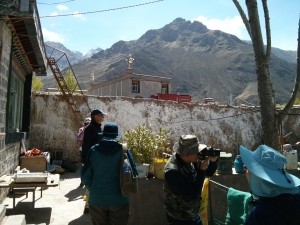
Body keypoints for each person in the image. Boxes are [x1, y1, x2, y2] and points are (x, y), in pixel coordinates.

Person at [81, 122, 130, 225]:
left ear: (103, 135)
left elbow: (85, 176)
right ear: (116, 136)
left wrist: (94, 188)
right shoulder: (124, 151)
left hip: (97, 199)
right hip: (120, 200)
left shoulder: (93, 151)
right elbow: (133, 174)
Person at [164, 134, 218, 225]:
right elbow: (192, 194)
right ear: (187, 155)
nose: (199, 154)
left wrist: (213, 161)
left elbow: (208, 173)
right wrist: (201, 171)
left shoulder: (188, 160)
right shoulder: (172, 171)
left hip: (192, 213)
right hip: (180, 218)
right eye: (197, 152)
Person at [240, 144, 300, 225]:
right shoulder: (296, 200)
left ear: (258, 177)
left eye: (247, 168)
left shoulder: (259, 214)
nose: (246, 172)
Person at [81, 109, 106, 214]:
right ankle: (88, 206)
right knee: (91, 184)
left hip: (98, 160)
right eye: (101, 115)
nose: (103, 117)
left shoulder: (98, 128)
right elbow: (86, 146)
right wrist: (86, 161)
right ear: (95, 117)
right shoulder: (90, 129)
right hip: (92, 161)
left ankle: (91, 205)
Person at [77, 117, 91, 187]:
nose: (87, 124)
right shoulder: (82, 129)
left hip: (91, 150)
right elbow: (79, 138)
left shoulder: (92, 130)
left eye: (89, 122)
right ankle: (82, 181)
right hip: (82, 150)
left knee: (91, 166)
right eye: (86, 122)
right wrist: (85, 129)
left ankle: (89, 181)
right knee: (83, 166)